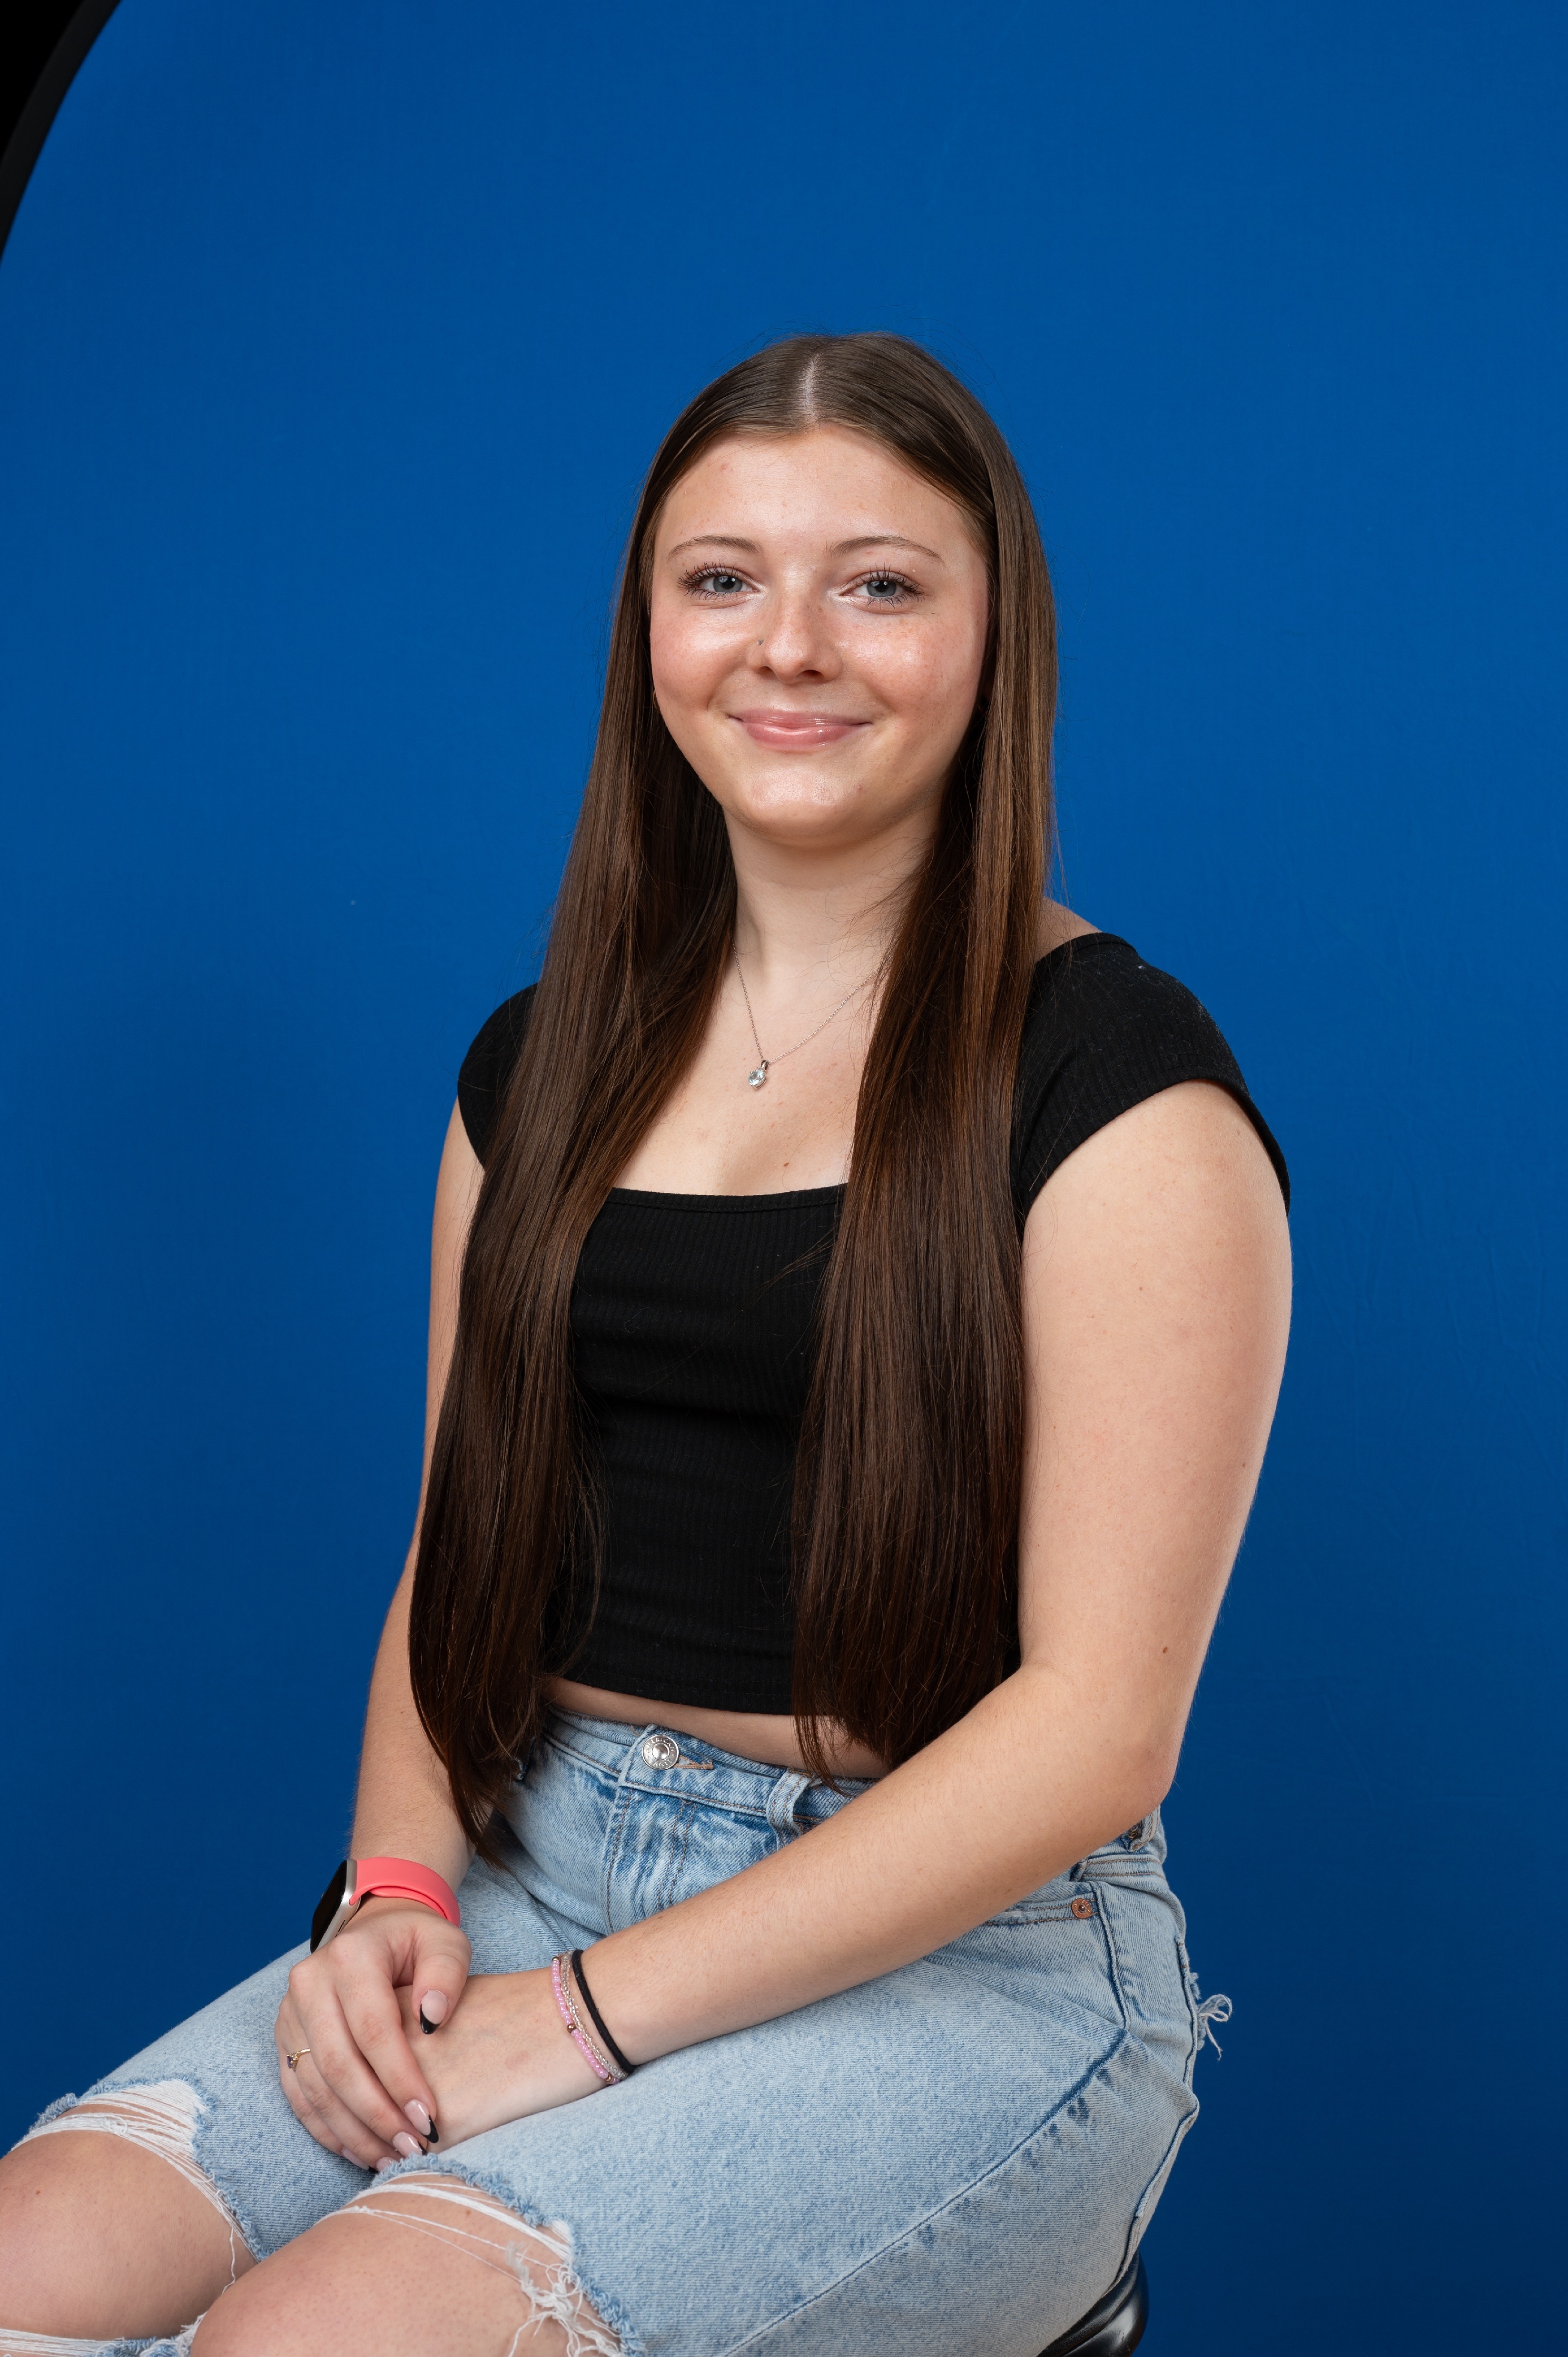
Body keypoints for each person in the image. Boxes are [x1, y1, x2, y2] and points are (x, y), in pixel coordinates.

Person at [0, 333, 1292, 2357]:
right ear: (650, 632)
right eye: (722, 579)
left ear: (995, 635)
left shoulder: (1124, 1093)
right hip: (527, 1860)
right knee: (28, 2271)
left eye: (879, 582)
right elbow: (462, 1549)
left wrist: (589, 2020)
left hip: (957, 1953)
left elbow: (1100, 1725)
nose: (791, 645)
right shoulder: (536, 1066)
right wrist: (395, 1888)